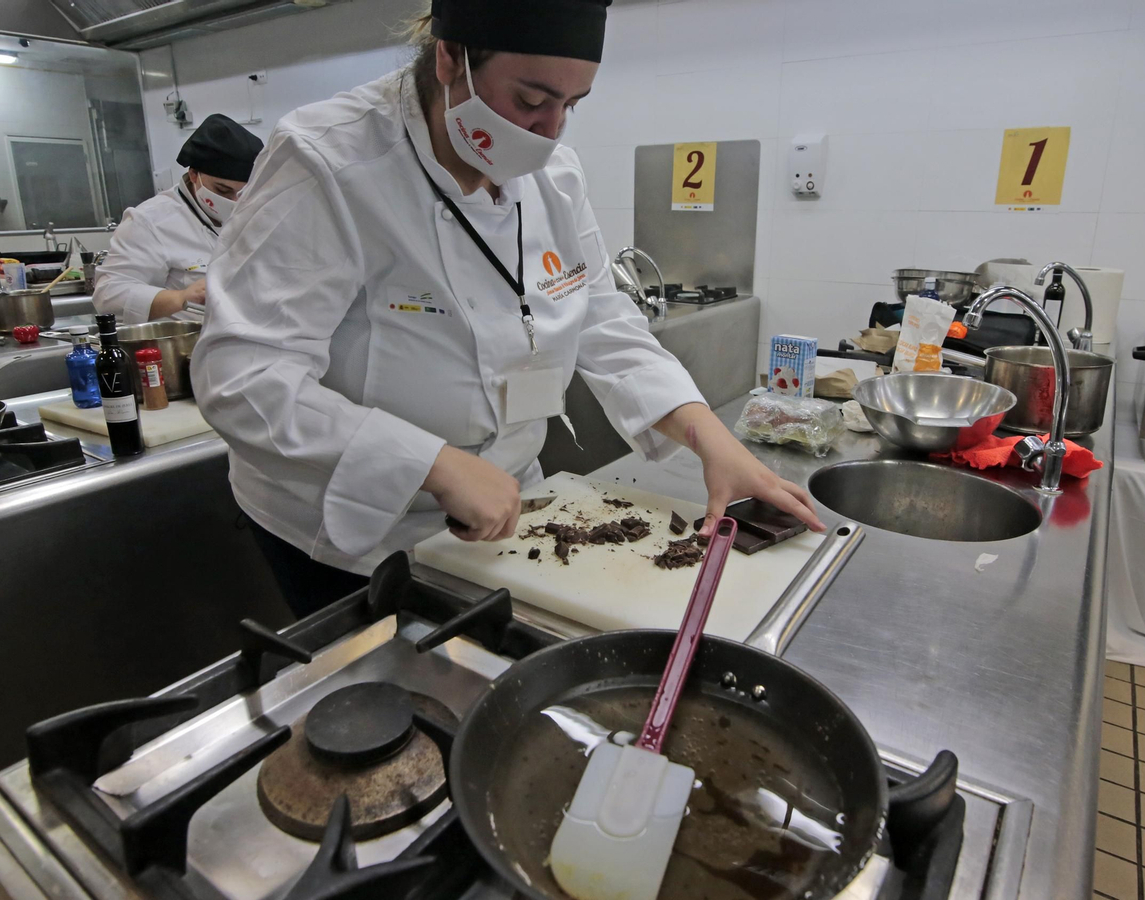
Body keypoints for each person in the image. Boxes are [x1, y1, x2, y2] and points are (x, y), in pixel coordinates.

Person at [195, 0, 823, 616]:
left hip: (508, 507)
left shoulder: (556, 176)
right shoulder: (327, 160)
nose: (550, 131)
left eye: (570, 106)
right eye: (529, 100)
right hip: (352, 529)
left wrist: (710, 439)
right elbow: (242, 376)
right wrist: (432, 464)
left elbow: (603, 322)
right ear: (450, 58)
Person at [93, 113, 263, 324]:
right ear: (194, 175)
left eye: (244, 193)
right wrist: (182, 297)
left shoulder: (258, 210)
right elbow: (109, 295)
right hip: (187, 347)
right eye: (222, 190)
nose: (234, 201)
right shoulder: (150, 221)